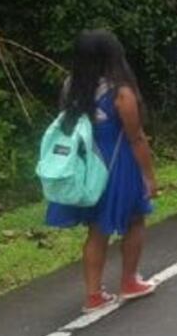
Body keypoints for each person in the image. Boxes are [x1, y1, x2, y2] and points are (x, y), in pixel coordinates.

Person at [45, 30, 158, 313]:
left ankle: (93, 294)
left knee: (97, 231)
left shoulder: (72, 86)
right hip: (119, 164)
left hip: (87, 167)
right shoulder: (121, 92)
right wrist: (148, 175)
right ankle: (129, 281)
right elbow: (136, 137)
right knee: (134, 220)